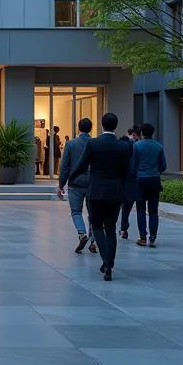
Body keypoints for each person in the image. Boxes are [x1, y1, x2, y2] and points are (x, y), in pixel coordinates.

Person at [69, 112, 132, 281]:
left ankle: (106, 261)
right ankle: (109, 264)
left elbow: (81, 164)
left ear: (102, 125)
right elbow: (128, 172)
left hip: (96, 192)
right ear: (115, 126)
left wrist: (71, 178)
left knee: (96, 226)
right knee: (110, 228)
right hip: (115, 192)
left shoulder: (93, 143)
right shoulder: (124, 146)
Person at [58, 117, 96, 255]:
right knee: (93, 214)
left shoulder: (71, 144)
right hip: (92, 183)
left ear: (78, 128)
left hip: (76, 183)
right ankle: (94, 241)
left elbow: (64, 167)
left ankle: (82, 233)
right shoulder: (95, 143)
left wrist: (61, 184)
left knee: (76, 211)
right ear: (90, 129)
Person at [133, 123, 166, 247]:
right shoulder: (158, 146)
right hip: (154, 180)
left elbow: (132, 164)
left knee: (140, 210)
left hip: (140, 180)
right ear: (152, 132)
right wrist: (156, 171)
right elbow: (163, 165)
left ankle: (142, 237)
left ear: (141, 132)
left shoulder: (137, 146)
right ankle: (152, 238)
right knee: (153, 211)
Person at [119, 125, 140, 239]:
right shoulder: (134, 152)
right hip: (131, 186)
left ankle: (122, 228)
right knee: (126, 208)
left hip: (119, 185)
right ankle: (124, 228)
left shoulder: (119, 154)